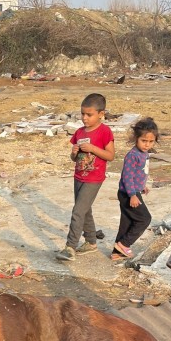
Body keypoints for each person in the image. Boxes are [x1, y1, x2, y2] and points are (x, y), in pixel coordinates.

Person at [56, 93, 115, 261]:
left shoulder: (105, 131)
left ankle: (70, 247)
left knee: (77, 211)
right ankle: (91, 242)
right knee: (85, 210)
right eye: (82, 114)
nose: (84, 118)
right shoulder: (79, 132)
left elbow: (110, 156)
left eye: (89, 114)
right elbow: (74, 159)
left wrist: (92, 148)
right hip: (79, 176)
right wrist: (74, 153)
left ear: (101, 114)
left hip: (94, 178)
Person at [111, 118, 157, 262]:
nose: (147, 144)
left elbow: (138, 173)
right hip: (128, 194)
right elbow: (127, 176)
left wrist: (142, 185)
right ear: (136, 138)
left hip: (133, 191)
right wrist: (133, 194)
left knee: (127, 222)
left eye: (151, 141)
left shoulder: (144, 154)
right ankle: (124, 244)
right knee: (144, 219)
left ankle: (116, 253)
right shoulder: (133, 155)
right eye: (144, 141)